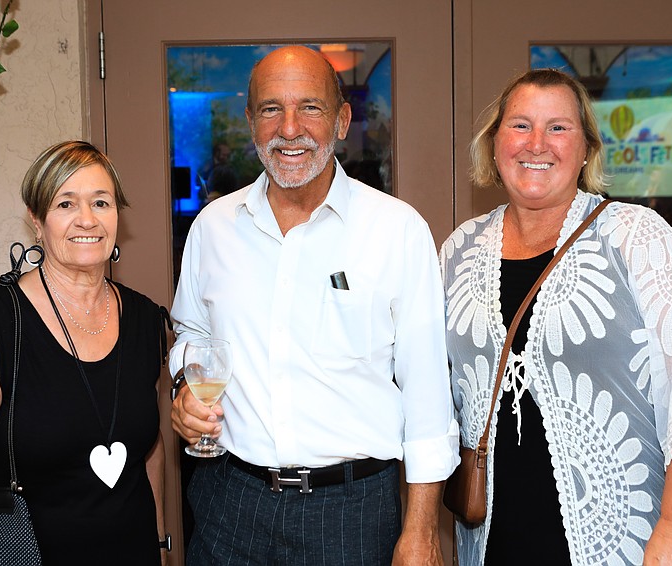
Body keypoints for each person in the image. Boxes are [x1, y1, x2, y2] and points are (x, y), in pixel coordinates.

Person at [440, 69, 672, 566]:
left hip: (618, 543)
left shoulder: (636, 237)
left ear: (586, 148)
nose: (537, 144)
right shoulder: (459, 249)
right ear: (494, 143)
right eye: (520, 125)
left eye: (558, 128)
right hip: (491, 541)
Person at [169, 45, 459, 565]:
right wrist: (186, 388)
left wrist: (421, 529)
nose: (289, 129)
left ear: (342, 120)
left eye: (310, 107)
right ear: (251, 123)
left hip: (352, 513)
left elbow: (427, 392)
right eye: (271, 109)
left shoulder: (397, 231)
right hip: (229, 504)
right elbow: (192, 332)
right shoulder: (213, 228)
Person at [0, 141, 170, 565]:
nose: (87, 219)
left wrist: (161, 544)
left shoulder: (145, 319)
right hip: (23, 555)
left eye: (101, 202)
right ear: (37, 219)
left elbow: (148, 451)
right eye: (66, 204)